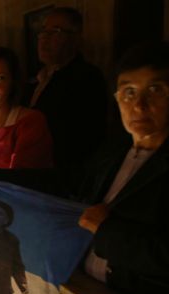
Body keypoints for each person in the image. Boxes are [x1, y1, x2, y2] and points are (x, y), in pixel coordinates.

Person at [77, 41, 169, 294]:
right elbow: (71, 184)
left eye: (155, 90)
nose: (139, 105)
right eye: (129, 92)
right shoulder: (114, 150)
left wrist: (106, 231)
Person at [27, 7, 107, 179]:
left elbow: (86, 140)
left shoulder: (87, 78)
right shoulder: (36, 78)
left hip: (61, 178)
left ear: (75, 38)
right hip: (31, 172)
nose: (44, 38)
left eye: (55, 31)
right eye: (43, 31)